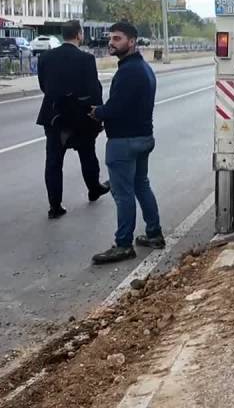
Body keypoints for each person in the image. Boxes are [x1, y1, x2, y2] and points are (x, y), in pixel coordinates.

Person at [89, 21, 160, 265]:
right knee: (141, 186)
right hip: (143, 137)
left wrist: (98, 112)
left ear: (132, 41)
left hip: (124, 141)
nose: (111, 42)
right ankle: (154, 233)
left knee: (123, 194)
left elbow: (117, 108)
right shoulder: (143, 67)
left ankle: (123, 245)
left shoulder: (129, 71)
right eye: (111, 38)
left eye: (117, 38)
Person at [36, 20, 109, 219]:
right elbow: (94, 90)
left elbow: (43, 86)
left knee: (53, 161)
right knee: (87, 154)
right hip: (80, 115)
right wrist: (98, 115)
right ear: (79, 34)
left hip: (53, 116)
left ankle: (55, 206)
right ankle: (94, 189)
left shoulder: (45, 57)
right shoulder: (86, 59)